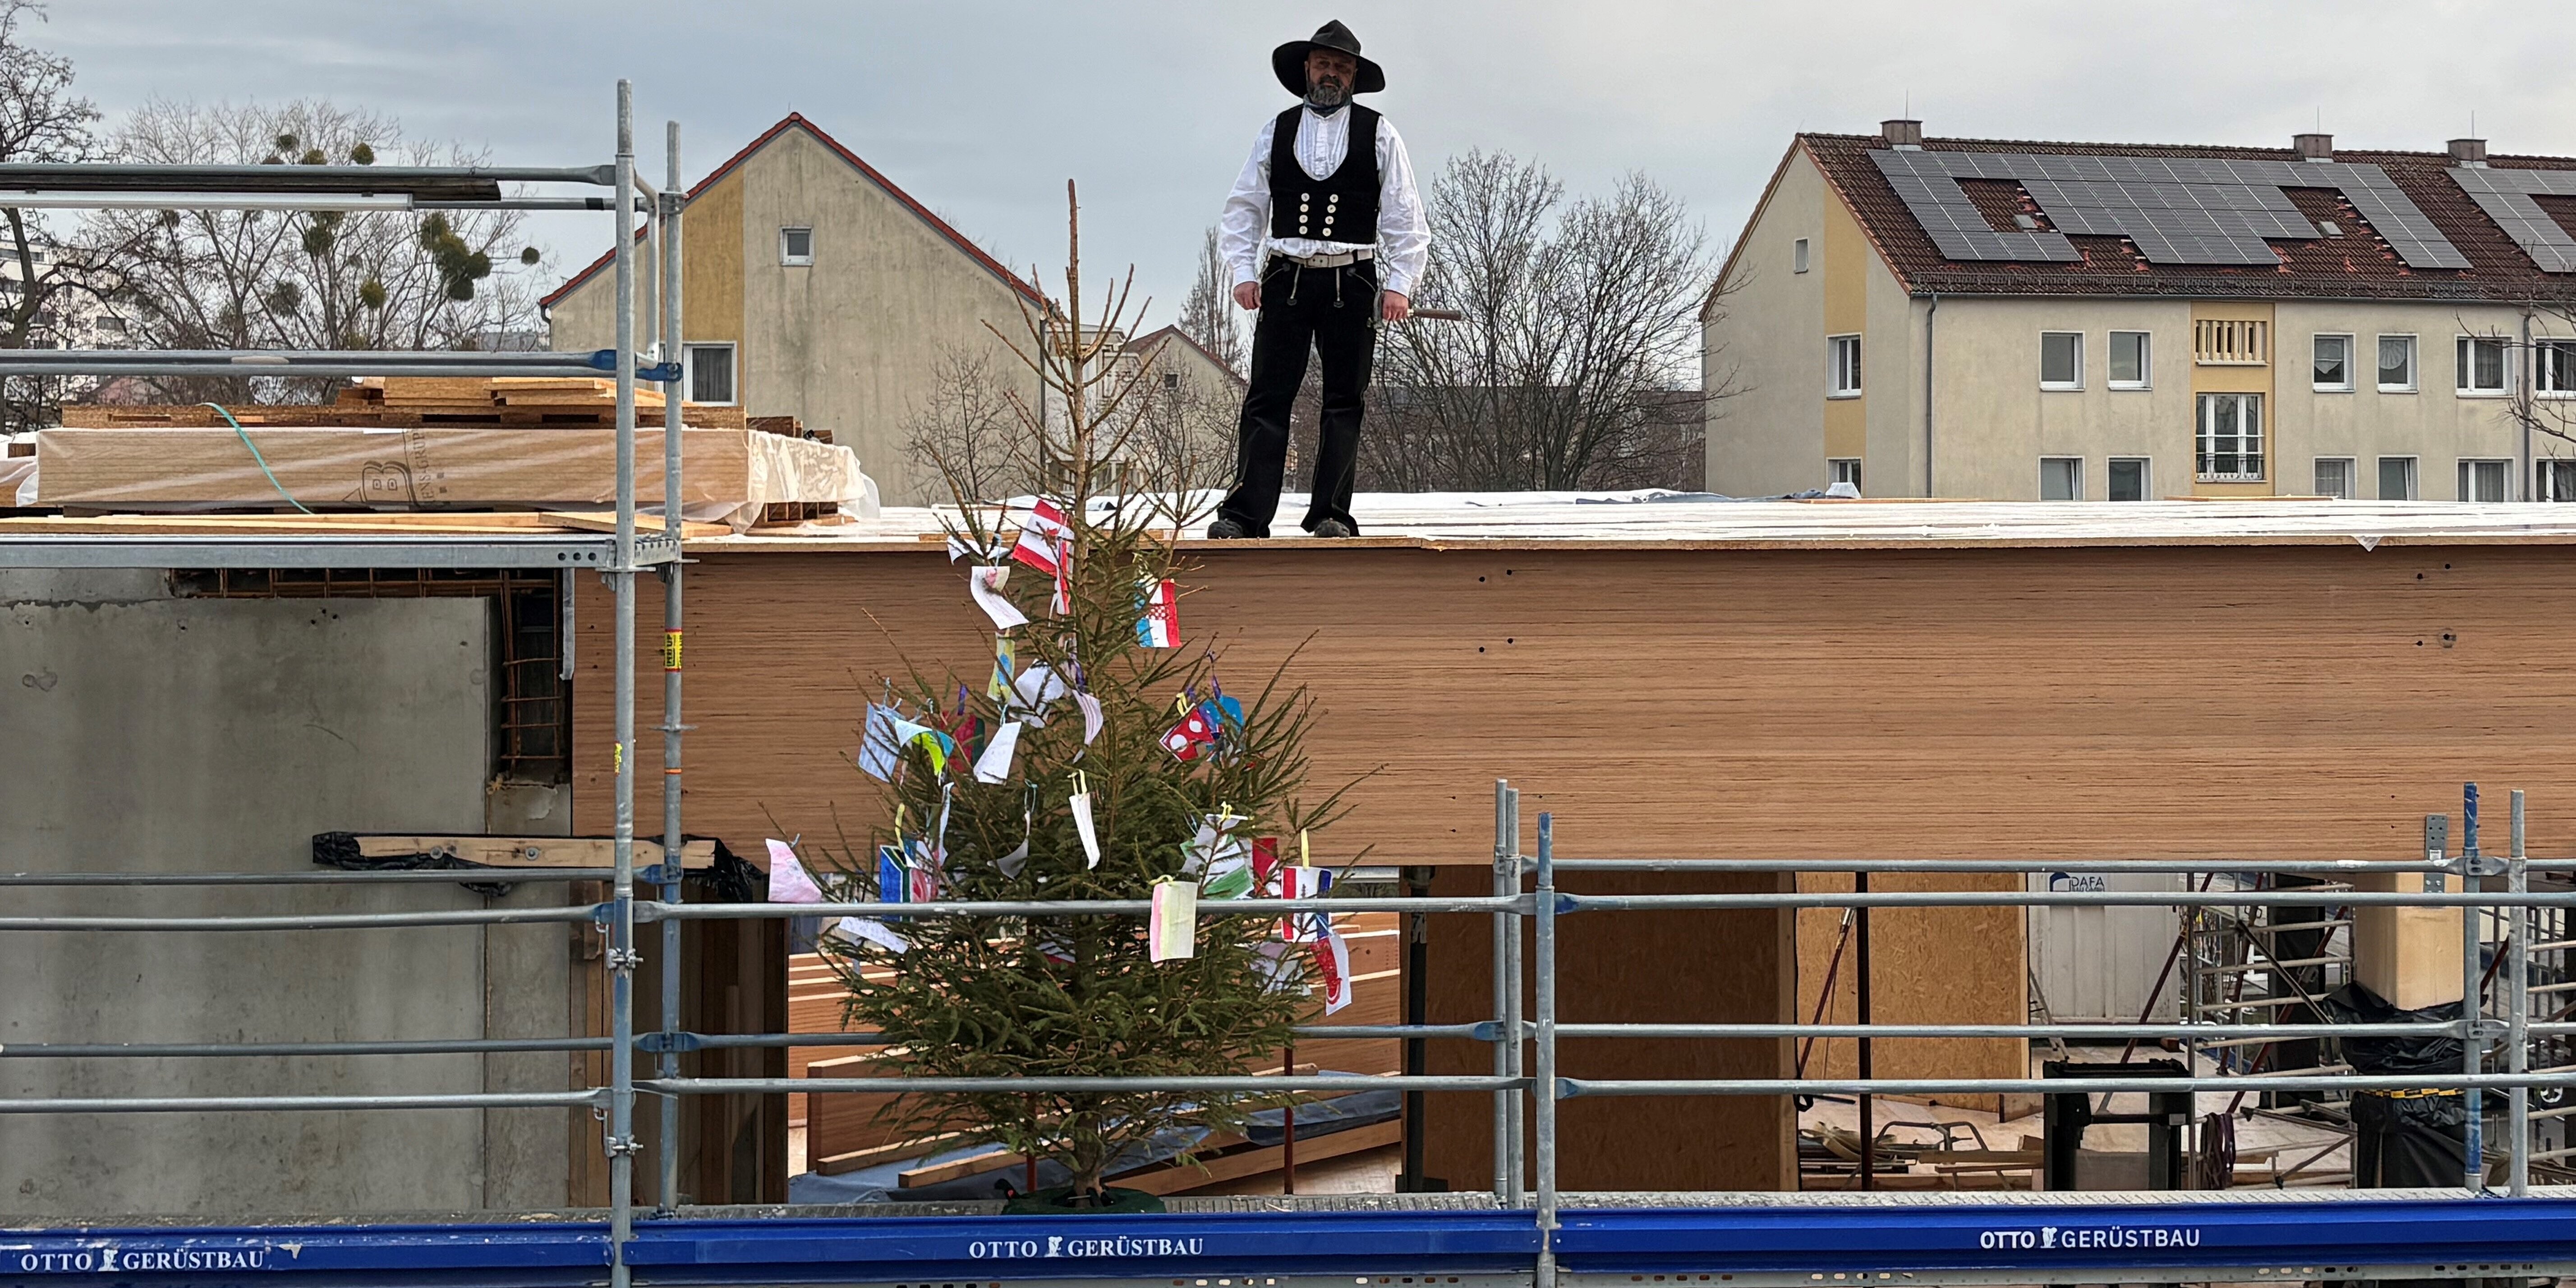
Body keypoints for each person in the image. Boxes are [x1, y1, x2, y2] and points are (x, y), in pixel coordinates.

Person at [1206, 20, 1428, 539]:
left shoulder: (1380, 133)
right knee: (1267, 397)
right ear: (1307, 69)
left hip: (1352, 279)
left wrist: (1400, 283)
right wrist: (1242, 271)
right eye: (1324, 64)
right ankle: (1244, 515)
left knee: (1344, 400)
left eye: (1342, 68)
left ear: (1354, 76)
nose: (1332, 74)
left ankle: (1331, 514)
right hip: (1286, 277)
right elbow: (1244, 208)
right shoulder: (1276, 130)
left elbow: (1405, 215)